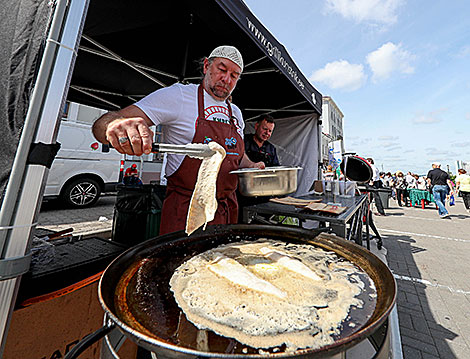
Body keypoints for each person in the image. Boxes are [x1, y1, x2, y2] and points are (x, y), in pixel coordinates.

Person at [92, 45, 264, 234]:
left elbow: (236, 154)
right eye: (222, 70)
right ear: (206, 66)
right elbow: (106, 122)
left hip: (226, 209)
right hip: (185, 211)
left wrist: (251, 166)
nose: (226, 79)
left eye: (234, 75)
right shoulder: (178, 96)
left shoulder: (235, 113)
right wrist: (113, 127)